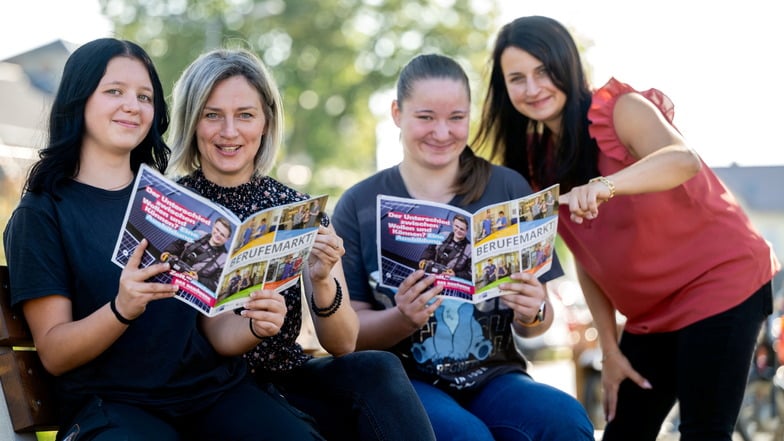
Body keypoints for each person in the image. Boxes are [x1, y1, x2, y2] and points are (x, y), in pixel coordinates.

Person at [474, 15, 781, 441]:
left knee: (703, 431)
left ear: (568, 64)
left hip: (721, 283)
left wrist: (605, 186)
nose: (533, 87)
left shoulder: (618, 110)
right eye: (517, 78)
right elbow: (587, 258)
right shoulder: (531, 162)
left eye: (544, 70)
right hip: (649, 315)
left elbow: (682, 160)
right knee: (624, 432)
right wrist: (610, 348)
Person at [1, 37, 317, 441]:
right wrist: (121, 309)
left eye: (145, 96)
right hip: (116, 408)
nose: (132, 105)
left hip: (212, 395)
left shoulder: (174, 201)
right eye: (114, 91)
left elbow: (212, 328)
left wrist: (255, 325)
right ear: (79, 100)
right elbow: (55, 352)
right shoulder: (43, 214)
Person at [166, 47, 436, 441]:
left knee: (378, 368)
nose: (229, 131)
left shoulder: (295, 209)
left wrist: (323, 279)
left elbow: (343, 342)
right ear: (192, 122)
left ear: (265, 122)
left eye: (245, 115)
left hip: (287, 377)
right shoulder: (173, 206)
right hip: (211, 391)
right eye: (212, 115)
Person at [332, 53, 594, 441]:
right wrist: (402, 317)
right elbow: (348, 333)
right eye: (425, 117)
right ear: (397, 113)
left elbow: (540, 319)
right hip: (406, 382)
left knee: (564, 417)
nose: (442, 132)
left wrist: (533, 308)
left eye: (456, 118)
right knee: (465, 436)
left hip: (496, 377)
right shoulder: (359, 204)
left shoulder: (507, 189)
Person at [160, 216, 232, 291]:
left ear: (227, 239)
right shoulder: (199, 233)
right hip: (169, 271)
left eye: (222, 235)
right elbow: (178, 244)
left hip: (189, 288)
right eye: (217, 229)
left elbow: (216, 284)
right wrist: (168, 252)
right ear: (213, 226)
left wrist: (198, 279)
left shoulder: (224, 259)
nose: (218, 235)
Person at [418, 214, 471, 280]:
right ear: (453, 224)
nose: (458, 230)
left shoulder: (469, 249)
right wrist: (423, 259)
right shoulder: (442, 235)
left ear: (466, 231)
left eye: (462, 229)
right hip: (430, 275)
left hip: (449, 282)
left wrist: (455, 275)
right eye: (456, 226)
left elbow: (469, 273)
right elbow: (430, 249)